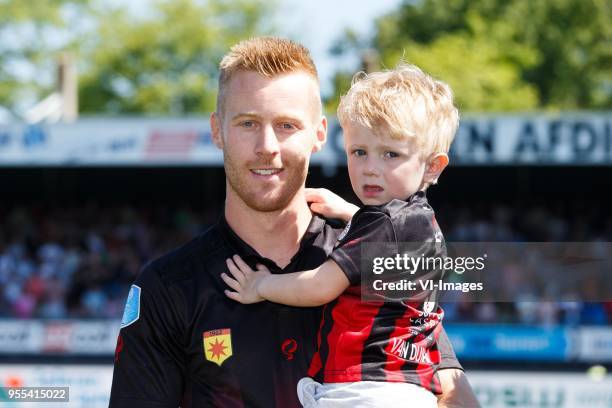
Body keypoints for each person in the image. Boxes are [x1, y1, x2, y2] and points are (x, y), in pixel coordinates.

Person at [109, 37, 479, 408]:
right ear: (217, 130)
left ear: (319, 134)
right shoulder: (168, 287)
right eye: (248, 122)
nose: (267, 145)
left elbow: (455, 397)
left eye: (286, 125)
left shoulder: (383, 256)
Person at [222, 63, 456, 407]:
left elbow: (320, 286)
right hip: (406, 389)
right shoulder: (423, 223)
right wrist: (353, 212)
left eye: (390, 154)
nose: (370, 167)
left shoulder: (383, 224)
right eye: (359, 152)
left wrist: (261, 286)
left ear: (433, 166)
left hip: (366, 390)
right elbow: (384, 238)